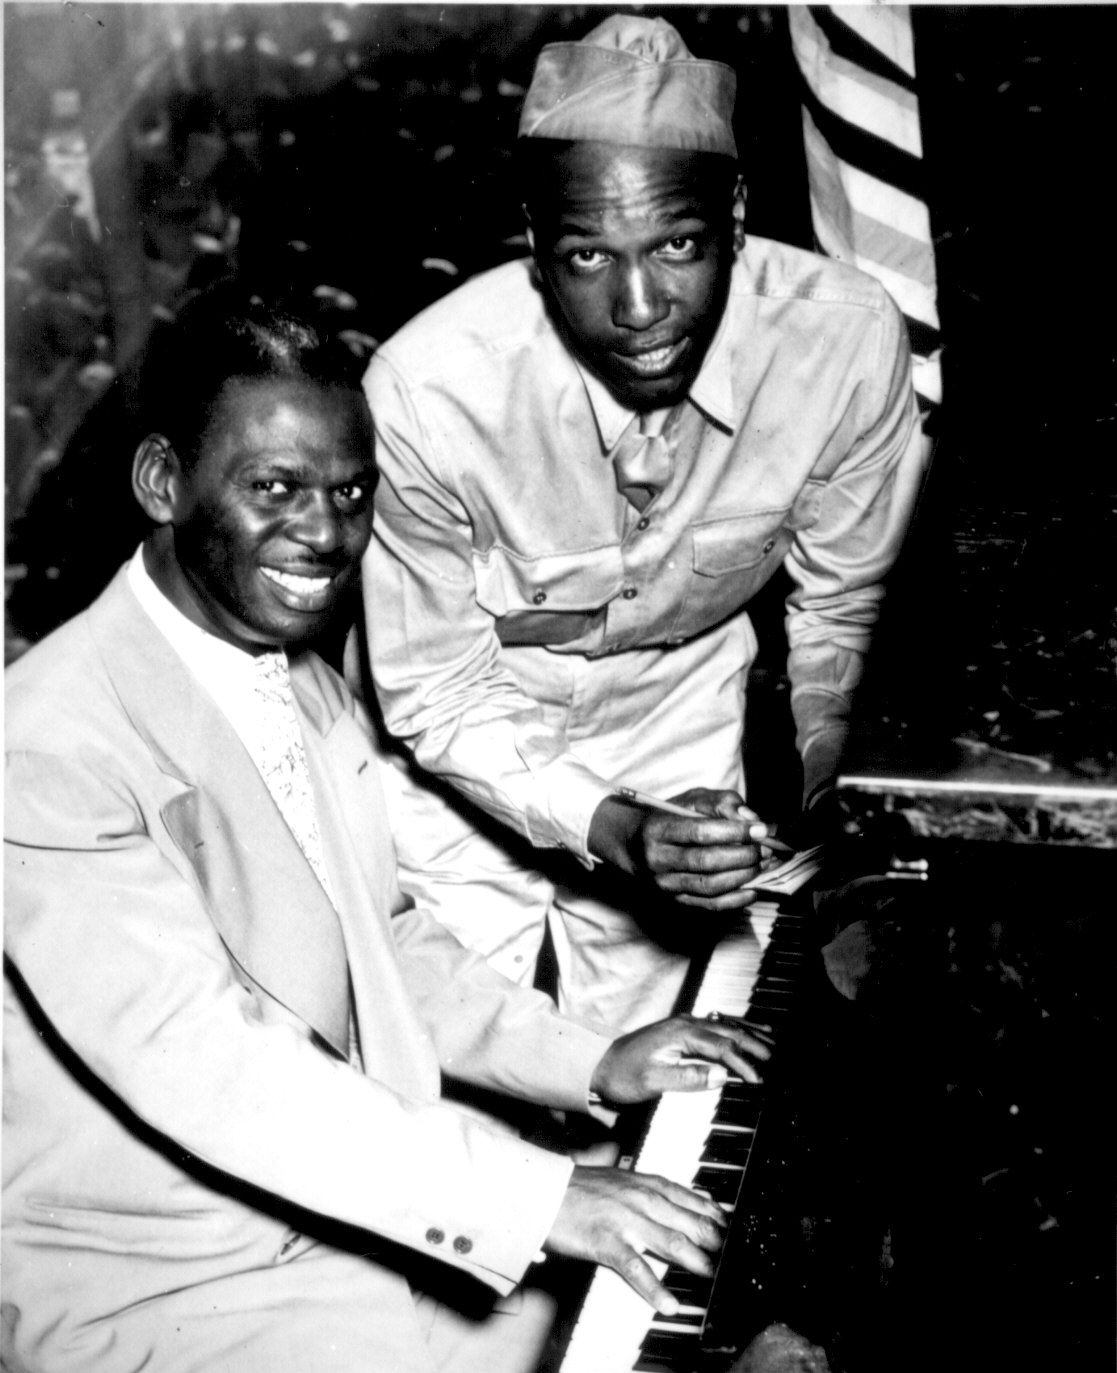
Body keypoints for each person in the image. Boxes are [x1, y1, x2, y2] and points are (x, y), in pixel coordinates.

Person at [2, 284, 772, 1373]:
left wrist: (592, 1058)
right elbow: (210, 1063)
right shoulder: (45, 749)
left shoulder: (294, 674)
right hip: (164, 1294)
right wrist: (536, 1195)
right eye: (275, 487)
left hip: (334, 1239)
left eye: (350, 492)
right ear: (164, 482)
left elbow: (382, 941)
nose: (326, 533)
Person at [361, 14, 926, 1031]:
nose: (638, 307)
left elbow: (844, 610)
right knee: (440, 1049)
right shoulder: (427, 393)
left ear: (736, 215)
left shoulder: (841, 343)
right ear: (535, 245)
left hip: (676, 711)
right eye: (587, 255)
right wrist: (612, 826)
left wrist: (837, 811)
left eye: (677, 245)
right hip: (455, 743)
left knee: (663, 1058)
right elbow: (436, 691)